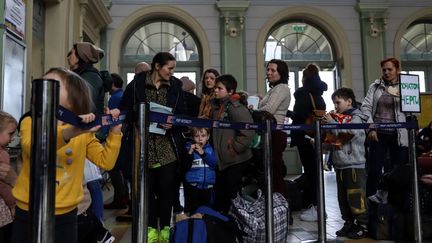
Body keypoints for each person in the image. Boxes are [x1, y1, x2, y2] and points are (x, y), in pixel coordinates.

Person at [11, 67, 122, 243]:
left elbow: (105, 162)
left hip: (67, 213)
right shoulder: (30, 120)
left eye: (54, 85)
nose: (43, 88)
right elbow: (33, 147)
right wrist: (72, 131)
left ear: (73, 99)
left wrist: (115, 132)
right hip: (28, 210)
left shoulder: (83, 131)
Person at [119, 52, 189, 243]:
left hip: (167, 149)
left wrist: (173, 123)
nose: (172, 72)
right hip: (143, 148)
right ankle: (150, 230)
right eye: (170, 68)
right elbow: (126, 109)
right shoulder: (136, 85)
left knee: (167, 192)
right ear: (157, 66)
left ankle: (165, 230)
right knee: (147, 192)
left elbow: (183, 115)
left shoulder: (175, 86)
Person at [321, 88, 368, 239]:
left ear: (349, 101)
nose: (335, 106)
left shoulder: (357, 118)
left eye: (338, 102)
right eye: (334, 103)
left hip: (354, 164)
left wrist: (332, 123)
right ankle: (349, 222)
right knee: (342, 197)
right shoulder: (339, 117)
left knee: (355, 196)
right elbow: (336, 140)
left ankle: (362, 225)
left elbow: (350, 133)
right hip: (340, 164)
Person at [67, 41, 107, 221]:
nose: (68, 56)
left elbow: (82, 102)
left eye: (71, 53)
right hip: (79, 130)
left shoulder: (89, 76)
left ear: (80, 56)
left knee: (91, 181)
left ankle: (97, 224)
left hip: (85, 132)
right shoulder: (81, 75)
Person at [360, 57, 409, 197]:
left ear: (397, 70)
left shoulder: (405, 86)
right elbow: (366, 108)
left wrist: (400, 96)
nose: (387, 72)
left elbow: (412, 108)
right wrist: (371, 128)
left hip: (399, 134)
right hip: (378, 133)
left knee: (398, 171)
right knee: (374, 170)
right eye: (384, 70)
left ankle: (396, 208)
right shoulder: (375, 87)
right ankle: (372, 211)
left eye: (390, 69)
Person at [211, 74, 255, 213]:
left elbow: (248, 131)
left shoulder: (235, 108)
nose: (216, 90)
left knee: (232, 196)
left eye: (220, 88)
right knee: (222, 197)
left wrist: (234, 148)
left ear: (230, 91)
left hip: (235, 160)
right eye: (215, 88)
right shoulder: (217, 107)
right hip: (223, 161)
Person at [290, 63, 328, 222]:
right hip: (316, 137)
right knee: (314, 171)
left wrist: (284, 112)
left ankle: (316, 207)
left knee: (311, 173)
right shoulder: (319, 94)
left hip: (305, 138)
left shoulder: (303, 94)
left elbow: (299, 116)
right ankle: (317, 205)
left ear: (304, 78)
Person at [258, 59, 291, 199]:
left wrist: (256, 108)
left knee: (275, 172)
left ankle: (281, 205)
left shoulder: (281, 88)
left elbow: (269, 110)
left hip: (275, 133)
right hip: (270, 132)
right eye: (268, 69)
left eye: (273, 70)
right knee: (271, 171)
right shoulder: (274, 89)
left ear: (281, 73)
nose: (269, 72)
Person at [103, 73, 129, 210]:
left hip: (117, 136)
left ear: (112, 84)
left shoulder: (114, 98)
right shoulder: (123, 95)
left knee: (113, 168)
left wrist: (106, 135)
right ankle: (124, 196)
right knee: (121, 169)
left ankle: (119, 198)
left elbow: (111, 121)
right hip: (124, 136)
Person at [183, 127, 217, 214]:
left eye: (203, 136)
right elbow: (185, 166)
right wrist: (190, 152)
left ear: (208, 137)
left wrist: (203, 153)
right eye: (197, 136)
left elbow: (214, 163)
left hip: (208, 187)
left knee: (207, 212)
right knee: (193, 212)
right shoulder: (188, 148)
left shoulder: (211, 149)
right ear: (192, 137)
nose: (200, 139)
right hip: (193, 187)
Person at [0, 111, 18, 243]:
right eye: (10, 133)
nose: (12, 138)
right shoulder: (2, 155)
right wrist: (13, 204)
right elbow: (4, 185)